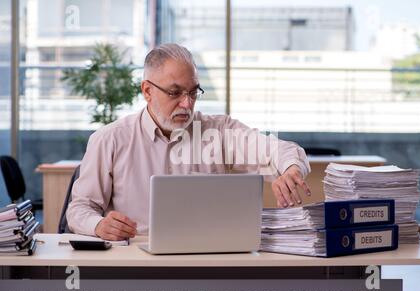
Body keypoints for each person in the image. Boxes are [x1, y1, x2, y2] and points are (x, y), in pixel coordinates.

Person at [66, 43, 311, 241]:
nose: (187, 103)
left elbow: (285, 150)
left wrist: (291, 169)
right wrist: (99, 225)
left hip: (206, 259)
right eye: (175, 93)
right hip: (136, 259)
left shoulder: (218, 130)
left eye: (193, 92)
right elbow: (79, 210)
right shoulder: (110, 139)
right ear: (147, 91)